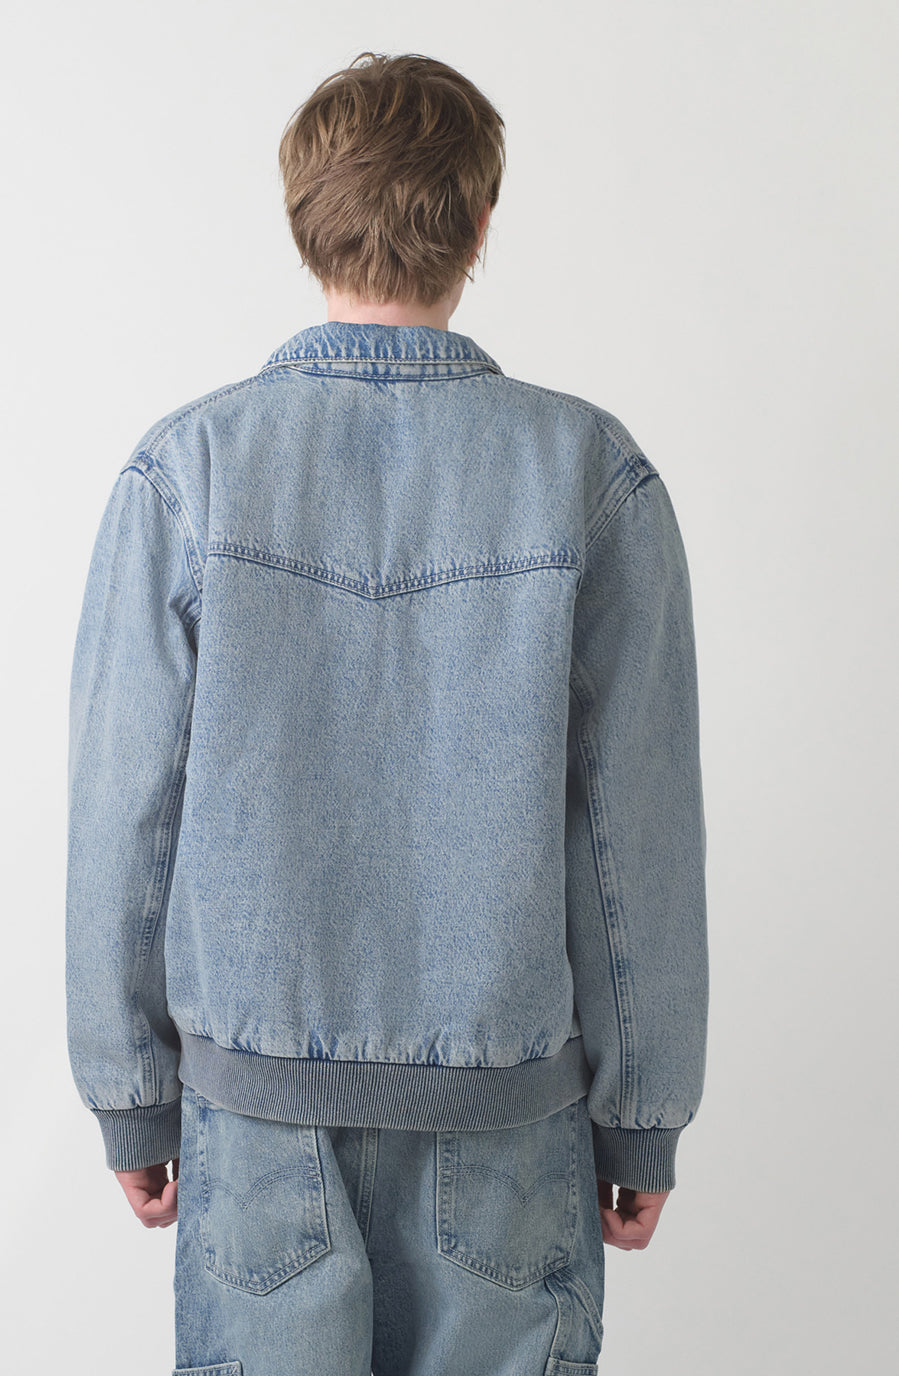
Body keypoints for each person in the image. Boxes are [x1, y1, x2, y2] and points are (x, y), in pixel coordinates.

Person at [66, 50, 709, 1375]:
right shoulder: (591, 475)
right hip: (509, 1124)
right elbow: (634, 836)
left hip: (259, 1126)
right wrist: (643, 1112)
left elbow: (124, 813)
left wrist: (129, 1092)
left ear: (303, 217)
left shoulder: (187, 473)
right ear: (481, 221)